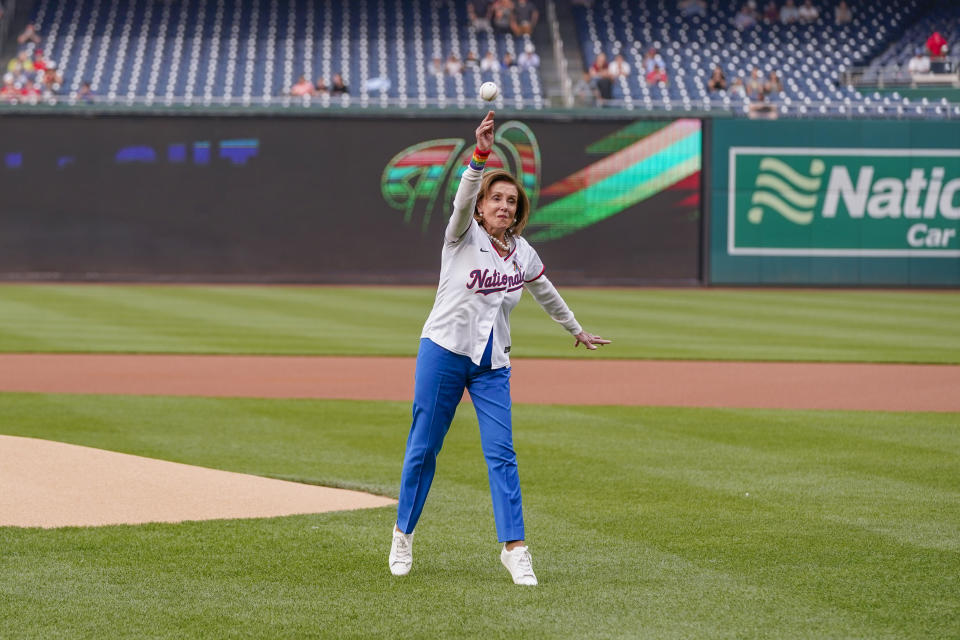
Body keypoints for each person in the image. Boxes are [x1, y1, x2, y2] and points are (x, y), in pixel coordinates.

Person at [388, 112, 610, 585]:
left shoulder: (522, 251)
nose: (504, 206)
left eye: (511, 200)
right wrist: (481, 156)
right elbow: (463, 194)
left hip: (492, 364)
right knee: (424, 448)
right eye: (496, 198)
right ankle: (403, 533)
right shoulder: (460, 236)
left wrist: (576, 328)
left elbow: (545, 290)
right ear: (481, 206)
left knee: (502, 453)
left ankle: (515, 548)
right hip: (444, 352)